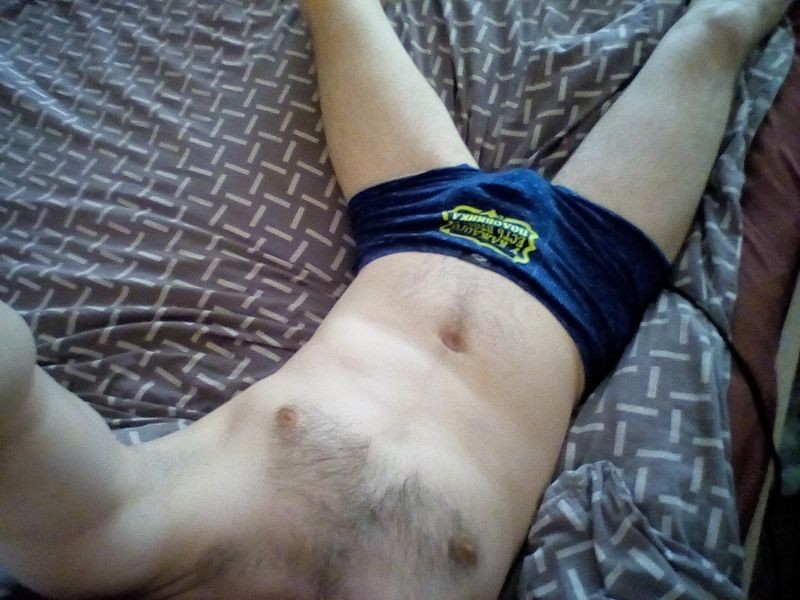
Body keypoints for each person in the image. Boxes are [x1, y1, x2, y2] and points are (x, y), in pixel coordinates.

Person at [0, 0, 790, 598]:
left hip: (417, 220)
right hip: (582, 284)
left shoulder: (119, 549)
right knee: (718, 29)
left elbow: (16, 408)